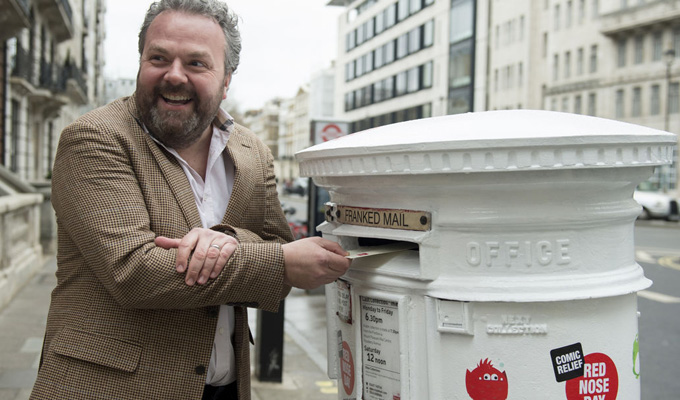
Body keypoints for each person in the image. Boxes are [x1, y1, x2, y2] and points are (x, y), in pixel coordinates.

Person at [30, 1, 351, 399]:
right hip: (110, 387)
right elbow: (135, 273)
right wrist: (279, 262)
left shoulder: (252, 152)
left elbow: (277, 268)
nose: (174, 76)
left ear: (226, 79)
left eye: (196, 63)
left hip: (224, 387)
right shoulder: (94, 138)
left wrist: (227, 239)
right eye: (159, 58)